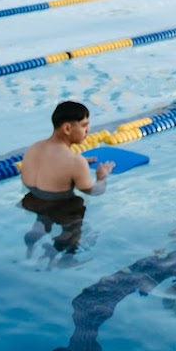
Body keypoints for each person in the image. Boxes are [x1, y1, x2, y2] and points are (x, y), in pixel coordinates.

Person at [19, 100, 114, 254]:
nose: (88, 130)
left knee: (43, 216)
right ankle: (66, 253)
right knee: (74, 223)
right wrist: (102, 177)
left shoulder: (34, 148)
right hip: (61, 207)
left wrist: (75, 164)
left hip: (31, 201)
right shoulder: (75, 161)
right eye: (84, 125)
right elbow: (94, 191)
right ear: (67, 128)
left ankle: (35, 235)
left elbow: (46, 169)